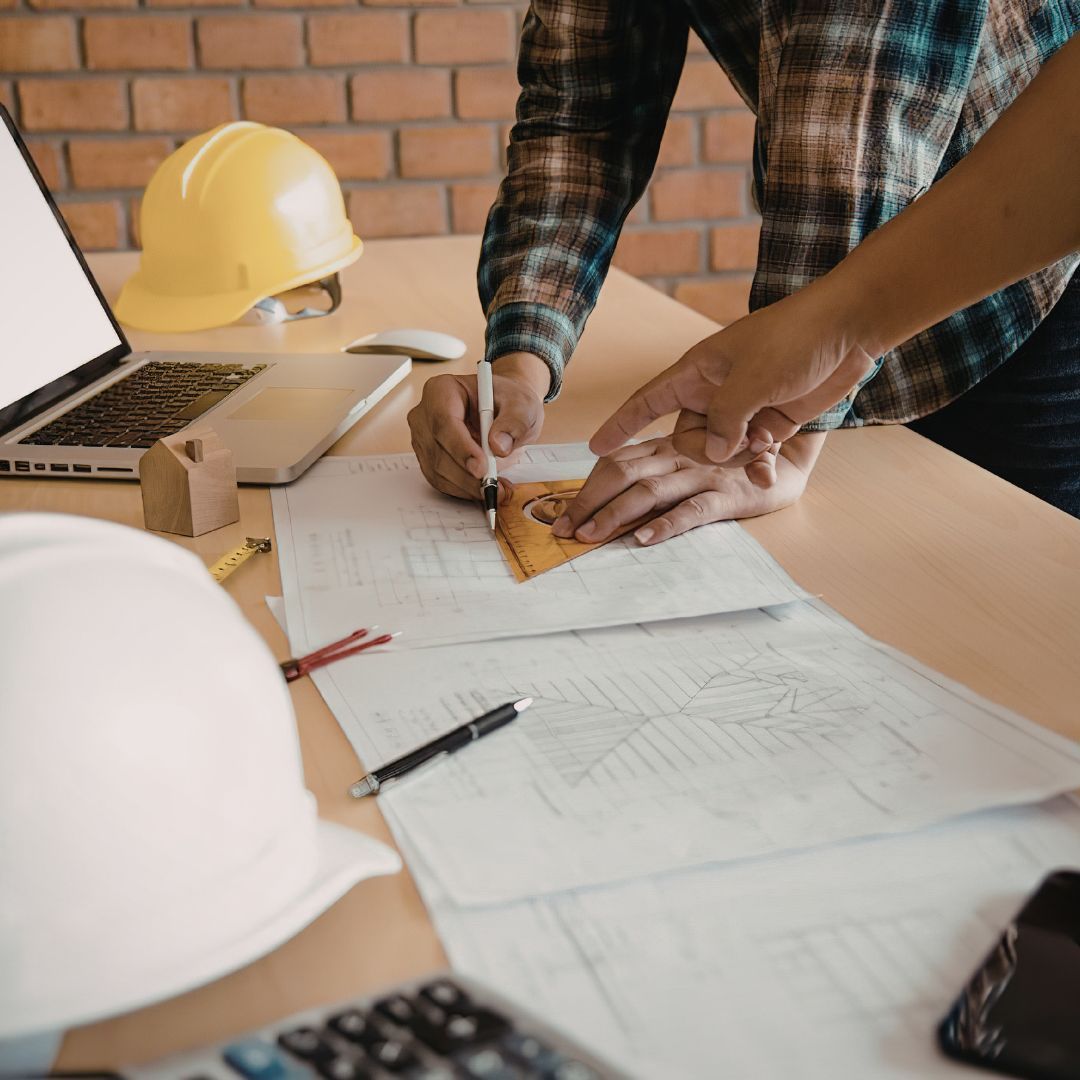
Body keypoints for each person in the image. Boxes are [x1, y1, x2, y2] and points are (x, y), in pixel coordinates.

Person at [407, 4, 1079, 542]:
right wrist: (522, 361)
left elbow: (848, 78)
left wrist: (780, 422)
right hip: (840, 283)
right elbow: (583, 114)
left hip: (1022, 289)